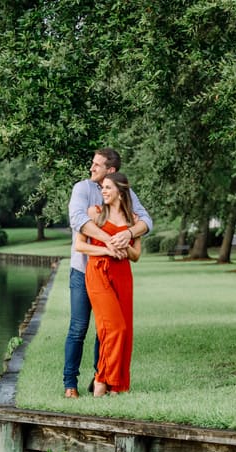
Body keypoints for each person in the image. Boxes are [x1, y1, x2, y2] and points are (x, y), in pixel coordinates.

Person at [64, 148, 151, 398]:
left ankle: (100, 378)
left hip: (119, 274)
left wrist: (129, 234)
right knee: (79, 327)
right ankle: (70, 384)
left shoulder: (125, 194)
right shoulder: (82, 190)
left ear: (110, 172)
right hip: (85, 270)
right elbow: (77, 220)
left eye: (97, 165)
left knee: (109, 329)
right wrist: (109, 243)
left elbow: (146, 222)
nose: (91, 168)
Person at [74, 171, 141, 396]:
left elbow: (136, 255)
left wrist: (125, 244)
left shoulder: (134, 220)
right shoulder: (95, 213)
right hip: (98, 271)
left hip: (123, 274)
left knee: (124, 330)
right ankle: (101, 379)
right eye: (102, 187)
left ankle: (117, 385)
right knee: (113, 328)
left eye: (108, 187)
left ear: (121, 193)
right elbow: (80, 246)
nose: (103, 191)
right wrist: (106, 248)